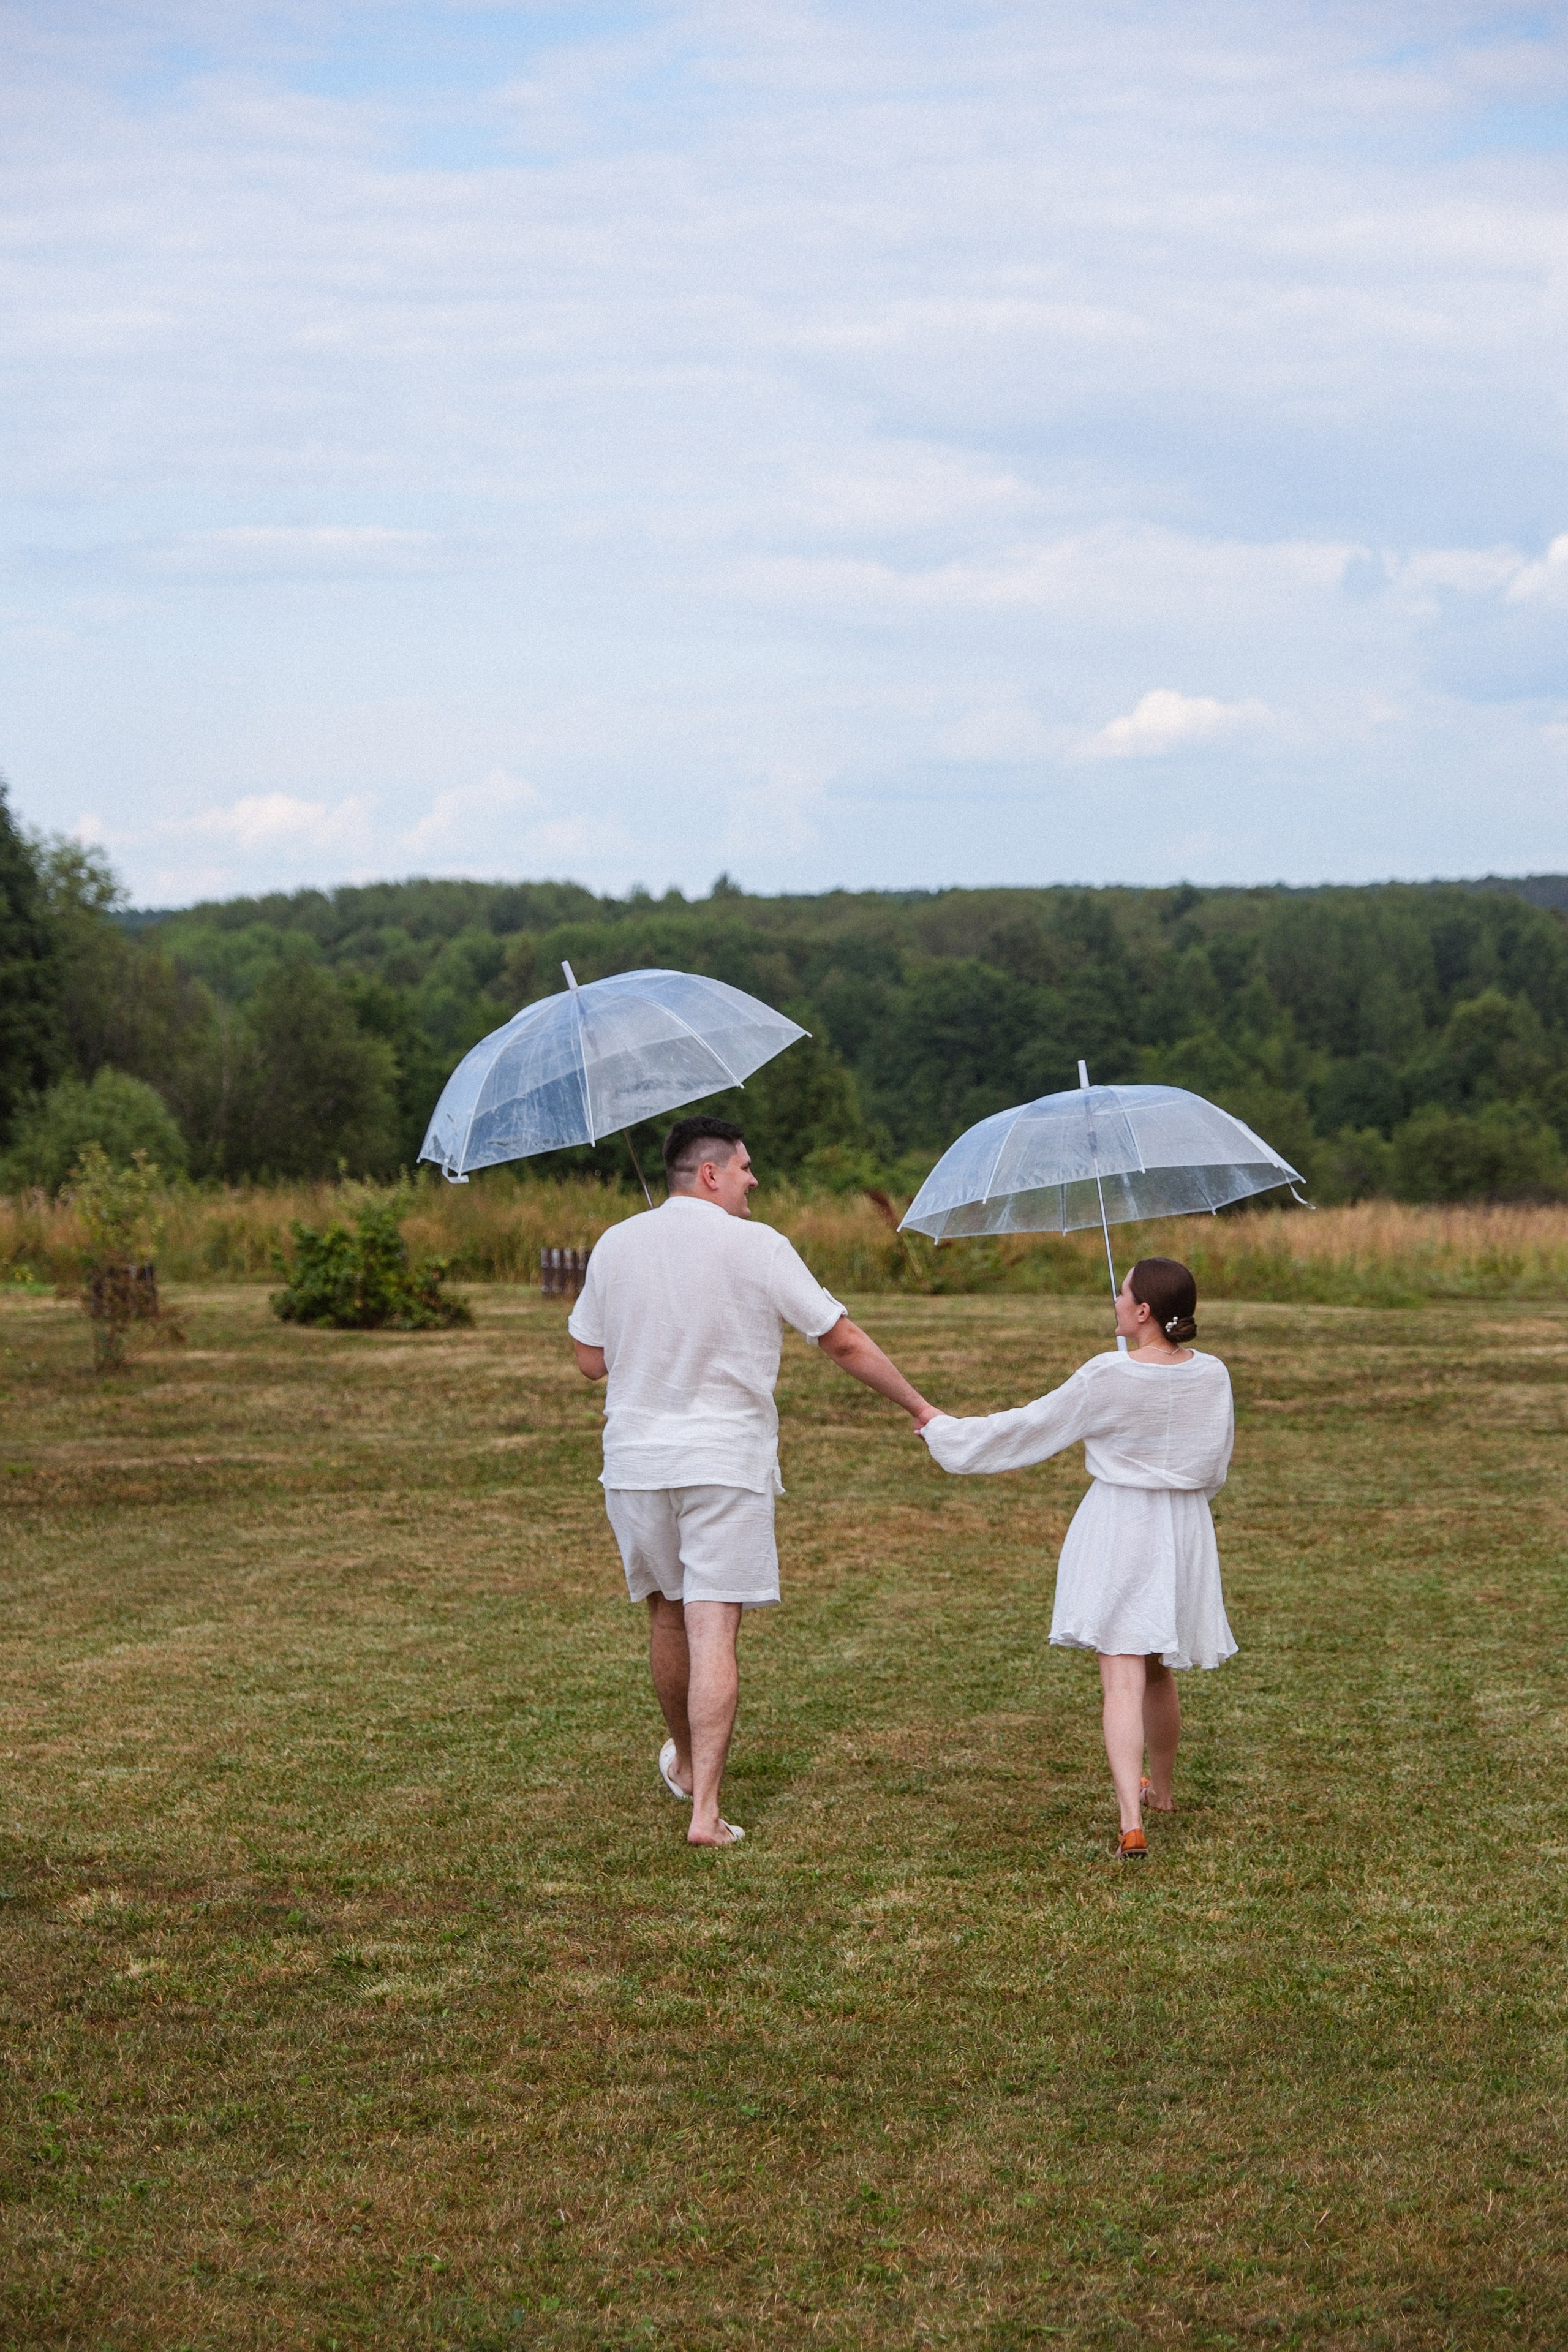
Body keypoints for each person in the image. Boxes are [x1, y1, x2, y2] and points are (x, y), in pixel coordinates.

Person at [568, 1114, 937, 1848]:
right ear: (709, 1174)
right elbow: (841, 1339)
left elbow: (589, 1360)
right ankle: (704, 1811)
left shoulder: (616, 1242)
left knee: (667, 1615)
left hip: (637, 1465)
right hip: (723, 1462)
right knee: (712, 1628)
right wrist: (919, 1407)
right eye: (744, 1167)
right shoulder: (759, 1244)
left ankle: (684, 1765)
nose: (753, 1180)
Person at [918, 1257, 1234, 1860]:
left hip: (1121, 1523)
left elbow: (1031, 1427)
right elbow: (1214, 1465)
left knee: (1123, 1675)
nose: (1115, 1302)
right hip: (1186, 1527)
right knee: (1158, 1668)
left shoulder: (1107, 1373)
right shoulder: (1213, 1374)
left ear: (1143, 1311)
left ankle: (1131, 1821)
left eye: (1122, 1294)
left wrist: (946, 1433)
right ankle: (1162, 1793)